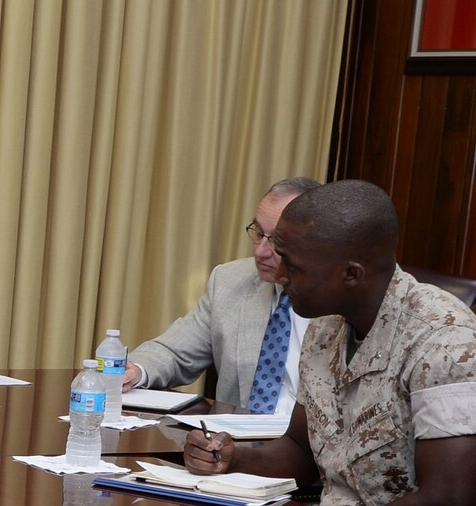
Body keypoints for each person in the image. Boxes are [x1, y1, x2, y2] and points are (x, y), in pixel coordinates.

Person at [184, 180, 476, 505]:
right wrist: (231, 459)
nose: (280, 275)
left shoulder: (443, 339)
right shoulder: (324, 327)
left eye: (292, 266)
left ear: (351, 275)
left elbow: (448, 496)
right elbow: (300, 450)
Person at [126, 177, 321, 413]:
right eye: (258, 233)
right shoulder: (230, 280)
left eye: (276, 240)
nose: (260, 251)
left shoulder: (341, 300)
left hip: (311, 445)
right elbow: (174, 352)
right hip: (237, 443)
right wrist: (135, 370)